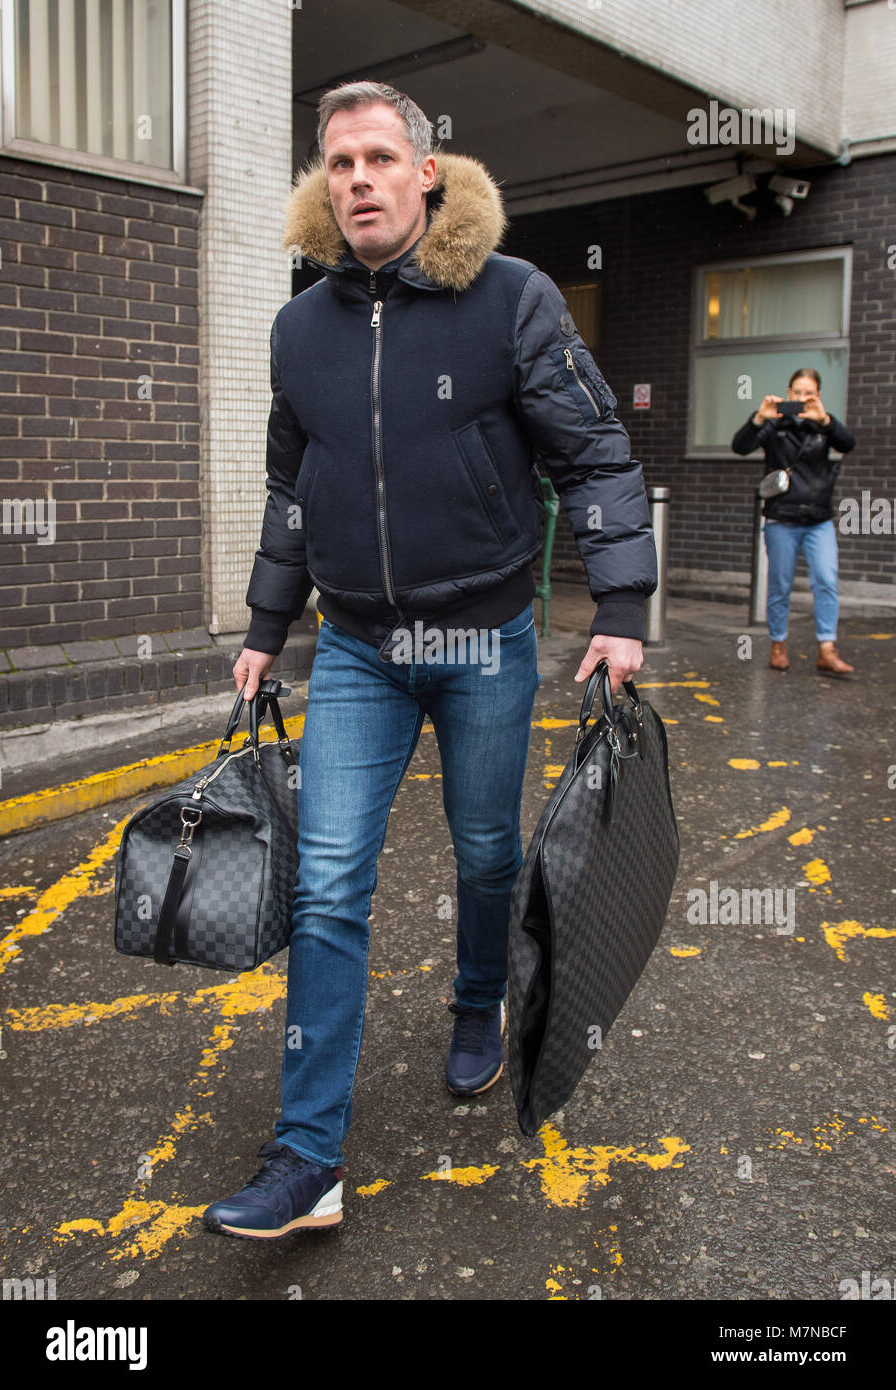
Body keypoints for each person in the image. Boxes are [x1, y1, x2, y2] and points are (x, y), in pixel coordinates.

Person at [202, 81, 657, 1240]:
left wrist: (621, 600)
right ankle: (307, 1159)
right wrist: (265, 630)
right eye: (338, 162)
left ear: (427, 173)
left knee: (487, 849)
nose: (356, 179)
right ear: (323, 181)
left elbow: (598, 451)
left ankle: (475, 1004)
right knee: (330, 884)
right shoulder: (298, 326)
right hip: (355, 645)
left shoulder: (511, 299)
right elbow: (292, 494)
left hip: (484, 637)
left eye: (377, 158)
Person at [732, 367, 856, 675]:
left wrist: (824, 420)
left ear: (818, 395)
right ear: (788, 394)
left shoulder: (824, 426)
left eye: (808, 393)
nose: (801, 398)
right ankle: (778, 645)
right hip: (782, 518)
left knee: (826, 579)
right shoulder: (775, 424)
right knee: (780, 585)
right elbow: (741, 446)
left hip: (819, 519)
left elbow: (848, 443)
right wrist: (759, 418)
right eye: (796, 392)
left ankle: (827, 648)